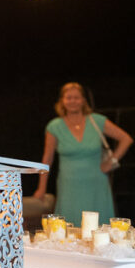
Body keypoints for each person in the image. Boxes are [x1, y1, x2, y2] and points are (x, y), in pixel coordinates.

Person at [34, 82, 132, 224]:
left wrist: (111, 162)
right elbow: (47, 159)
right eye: (68, 98)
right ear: (62, 101)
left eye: (76, 97)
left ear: (83, 101)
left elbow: (126, 139)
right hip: (69, 186)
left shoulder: (97, 121)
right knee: (69, 225)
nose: (72, 101)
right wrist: (41, 187)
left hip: (96, 184)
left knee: (98, 228)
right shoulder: (54, 126)